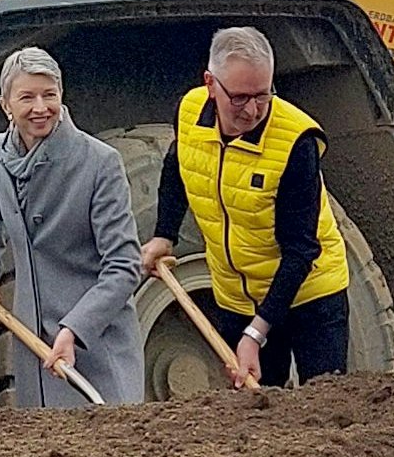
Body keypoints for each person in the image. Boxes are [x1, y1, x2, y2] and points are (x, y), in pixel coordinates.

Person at [138, 25, 352, 389]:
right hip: (236, 295)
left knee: (327, 405)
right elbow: (178, 166)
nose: (252, 110)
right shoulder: (190, 111)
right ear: (210, 84)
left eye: (263, 95)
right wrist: (164, 234)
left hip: (309, 294)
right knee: (257, 408)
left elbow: (301, 249)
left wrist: (256, 334)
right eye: (239, 98)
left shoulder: (296, 142)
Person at [0, 47, 145, 406]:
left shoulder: (100, 163)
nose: (41, 108)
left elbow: (124, 266)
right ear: (5, 105)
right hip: (34, 346)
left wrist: (75, 329)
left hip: (95, 345)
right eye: (27, 97)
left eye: (50, 95)